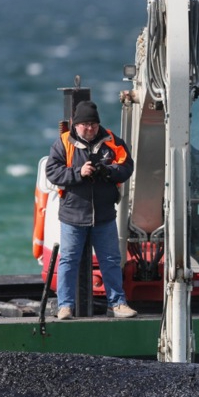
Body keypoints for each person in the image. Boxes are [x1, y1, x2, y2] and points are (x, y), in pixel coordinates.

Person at [45, 100, 137, 319]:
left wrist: (108, 171)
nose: (90, 128)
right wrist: (79, 173)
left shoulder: (112, 141)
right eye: (85, 124)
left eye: (93, 124)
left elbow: (127, 167)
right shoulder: (63, 143)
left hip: (104, 215)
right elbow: (52, 171)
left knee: (111, 260)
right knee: (68, 260)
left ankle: (117, 304)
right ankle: (65, 306)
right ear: (75, 125)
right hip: (73, 215)